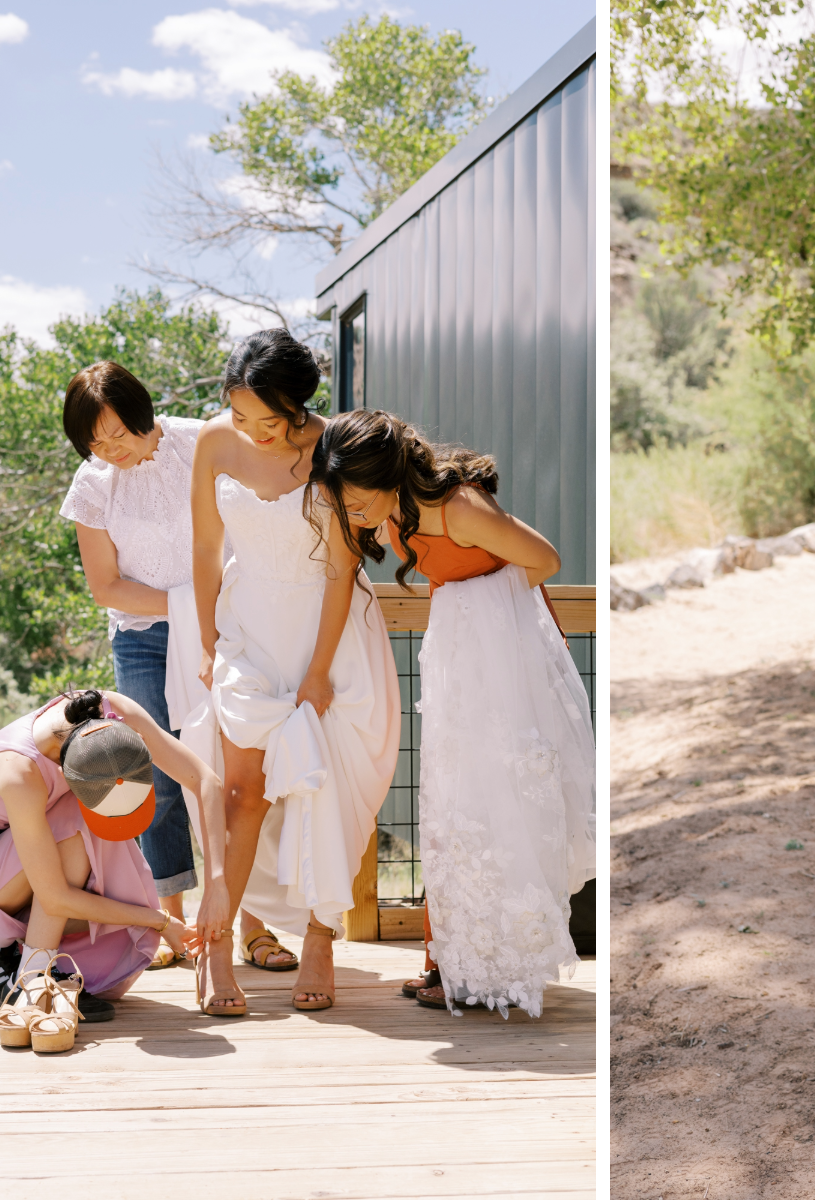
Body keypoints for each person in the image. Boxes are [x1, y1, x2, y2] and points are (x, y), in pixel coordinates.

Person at [308, 410, 596, 1018]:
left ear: (390, 476)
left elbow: (544, 560)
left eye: (359, 501)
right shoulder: (390, 513)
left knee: (497, 802)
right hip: (457, 659)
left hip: (500, 660)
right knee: (449, 806)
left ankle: (496, 966)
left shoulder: (460, 507)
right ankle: (452, 959)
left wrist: (479, 605)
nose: (355, 515)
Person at [180, 329, 401, 1017]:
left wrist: (319, 671)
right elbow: (206, 548)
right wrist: (211, 639)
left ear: (297, 406)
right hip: (248, 632)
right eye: (239, 415)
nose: (250, 432)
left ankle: (319, 939)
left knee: (323, 789)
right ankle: (215, 950)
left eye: (266, 421)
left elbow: (342, 566)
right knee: (243, 794)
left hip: (324, 632)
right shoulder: (215, 444)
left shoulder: (333, 445)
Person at [57, 361, 301, 975]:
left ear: (142, 412)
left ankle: (254, 922)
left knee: (238, 768)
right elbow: (106, 586)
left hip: (233, 626)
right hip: (144, 638)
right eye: (94, 441)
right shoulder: (92, 485)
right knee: (157, 778)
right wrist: (187, 606)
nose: (107, 449)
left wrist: (212, 613)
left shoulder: (204, 440)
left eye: (117, 433)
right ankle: (174, 922)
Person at [0, 688, 229, 1051]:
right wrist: (157, 920)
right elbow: (56, 898)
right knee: (74, 820)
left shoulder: (112, 713)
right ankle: (32, 974)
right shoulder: (20, 771)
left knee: (108, 873)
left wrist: (216, 882)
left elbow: (205, 780)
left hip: (17, 872)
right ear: (69, 775)